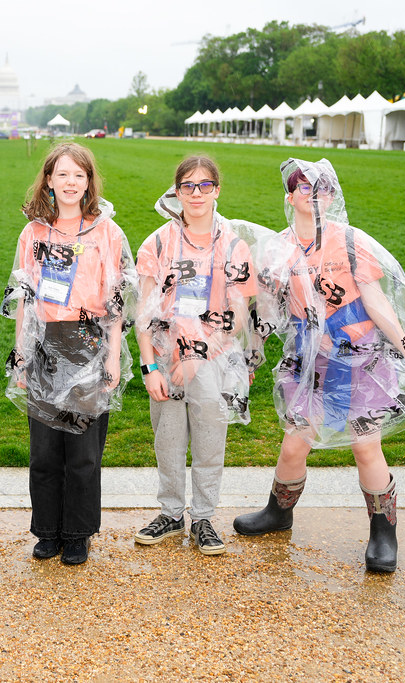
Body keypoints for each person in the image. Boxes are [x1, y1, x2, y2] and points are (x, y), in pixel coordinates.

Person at [233, 158, 405, 573]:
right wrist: (250, 355)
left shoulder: (350, 241)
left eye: (323, 187)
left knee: (366, 447)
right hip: (306, 362)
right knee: (294, 443)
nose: (315, 194)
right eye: (305, 187)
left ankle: (383, 532)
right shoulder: (278, 249)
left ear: (333, 194)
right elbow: (267, 311)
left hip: (361, 357)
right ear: (290, 196)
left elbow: (379, 304)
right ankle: (278, 512)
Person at [2, 143, 137, 566]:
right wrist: (22, 353)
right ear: (48, 180)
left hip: (89, 344)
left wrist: (113, 357)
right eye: (62, 174)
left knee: (82, 451)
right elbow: (23, 297)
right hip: (44, 344)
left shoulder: (108, 232)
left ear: (89, 182)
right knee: (44, 449)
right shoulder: (34, 233)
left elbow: (117, 301)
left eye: (79, 175)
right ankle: (48, 530)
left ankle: (78, 532)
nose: (70, 183)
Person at [133, 156, 265, 556]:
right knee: (168, 441)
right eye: (187, 185)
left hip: (213, 360)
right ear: (176, 191)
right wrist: (149, 366)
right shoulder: (157, 242)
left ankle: (204, 517)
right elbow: (142, 311)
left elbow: (240, 315)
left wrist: (199, 352)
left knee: (210, 442)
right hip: (166, 360)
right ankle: (171, 514)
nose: (196, 193)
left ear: (217, 190)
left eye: (204, 185)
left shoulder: (233, 245)